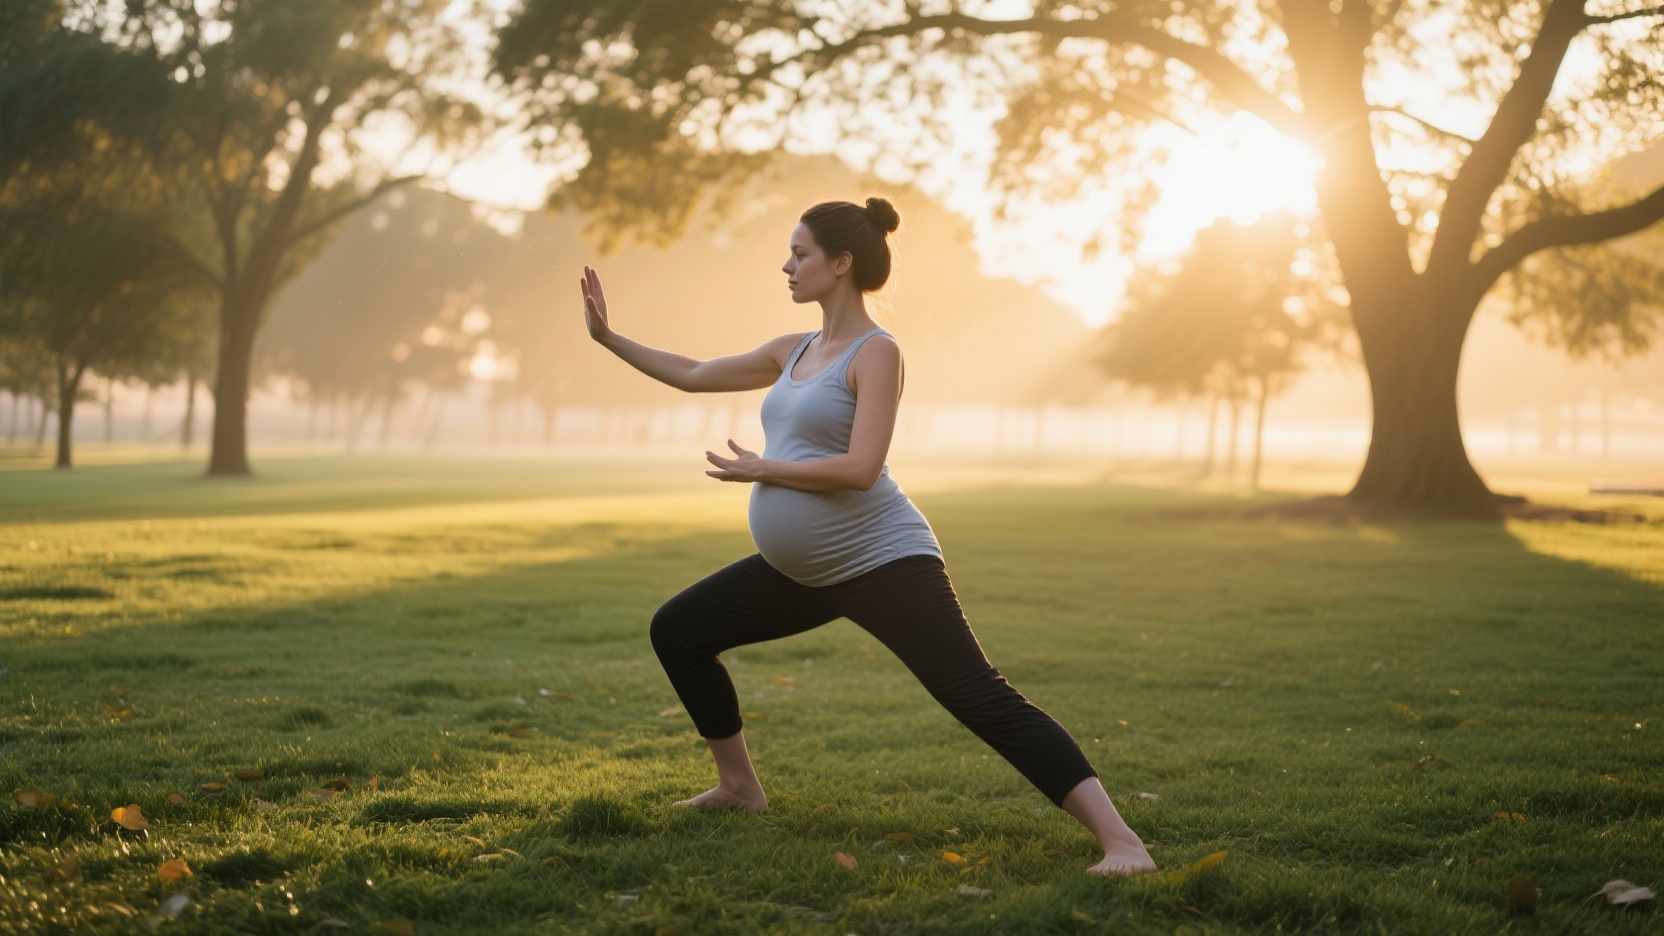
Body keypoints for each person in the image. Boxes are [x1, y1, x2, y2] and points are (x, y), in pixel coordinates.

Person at [579, 196, 1157, 876]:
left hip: (884, 561)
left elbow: (861, 469)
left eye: (800, 254)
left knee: (976, 694)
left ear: (842, 262)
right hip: (806, 573)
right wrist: (610, 339)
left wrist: (766, 468)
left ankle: (1124, 845)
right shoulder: (792, 349)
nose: (787, 266)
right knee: (679, 629)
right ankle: (739, 788)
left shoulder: (876, 352)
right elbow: (696, 373)